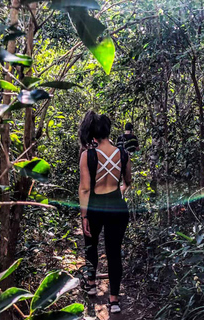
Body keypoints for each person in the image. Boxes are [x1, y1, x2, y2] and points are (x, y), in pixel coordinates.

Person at [78, 110, 132, 314]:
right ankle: (114, 300)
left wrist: (84, 216)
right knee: (114, 252)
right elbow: (128, 181)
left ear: (92, 133)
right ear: (109, 131)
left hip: (94, 206)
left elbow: (84, 188)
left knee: (91, 245)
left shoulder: (87, 155)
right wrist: (120, 191)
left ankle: (91, 284)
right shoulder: (123, 154)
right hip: (117, 206)